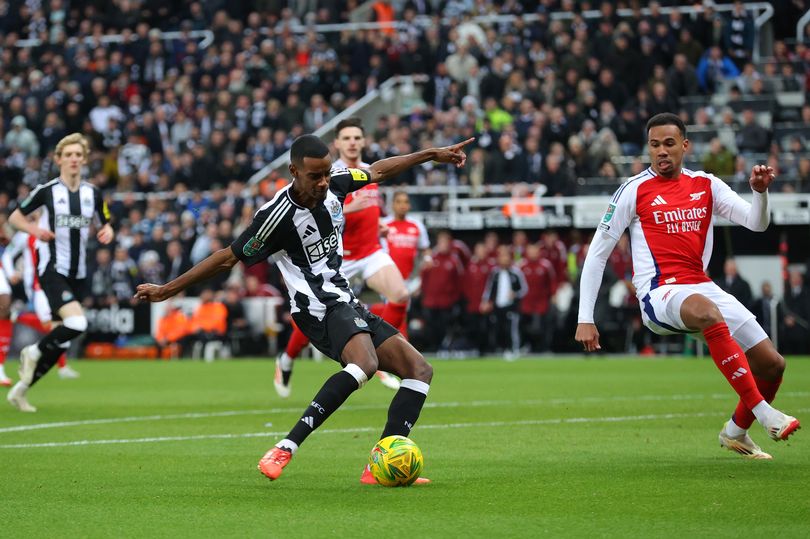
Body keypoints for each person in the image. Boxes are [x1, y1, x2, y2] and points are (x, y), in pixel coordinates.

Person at [135, 133, 473, 484]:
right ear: (293, 171)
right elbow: (226, 259)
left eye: (327, 173)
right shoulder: (275, 217)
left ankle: (379, 467)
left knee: (419, 370)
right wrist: (167, 289)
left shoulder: (335, 186)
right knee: (365, 364)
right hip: (315, 308)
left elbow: (377, 172)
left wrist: (431, 153)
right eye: (315, 176)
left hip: (343, 298)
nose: (324, 182)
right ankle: (284, 448)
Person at [575, 113, 799, 460]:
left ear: (684, 145)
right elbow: (597, 254)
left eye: (668, 143)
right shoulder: (633, 190)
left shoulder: (707, 185)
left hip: (701, 286)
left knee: (773, 365)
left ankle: (735, 432)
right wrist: (585, 317)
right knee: (707, 312)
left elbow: (756, 223)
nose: (661, 152)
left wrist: (760, 194)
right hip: (658, 293)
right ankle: (764, 413)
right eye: (654, 145)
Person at [275, 118, 406, 397]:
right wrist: (350, 210)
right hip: (336, 258)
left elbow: (369, 210)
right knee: (322, 311)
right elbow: (314, 219)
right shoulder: (327, 176)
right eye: (346, 138)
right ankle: (286, 358)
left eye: (357, 137)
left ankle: (380, 354)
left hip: (369, 251)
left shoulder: (369, 173)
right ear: (337, 143)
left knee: (400, 294)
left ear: (363, 141)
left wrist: (380, 223)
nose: (353, 142)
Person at [7, 133, 114, 412]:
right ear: (58, 160)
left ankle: (20, 390)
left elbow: (105, 220)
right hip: (53, 269)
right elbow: (14, 217)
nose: (74, 159)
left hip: (78, 273)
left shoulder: (93, 193)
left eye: (79, 154)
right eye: (68, 155)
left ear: (85, 159)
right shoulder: (47, 191)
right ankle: (33, 350)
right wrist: (35, 229)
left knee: (59, 342)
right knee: (78, 324)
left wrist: (107, 230)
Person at [2, 222, 81, 380]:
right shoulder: (24, 234)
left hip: (55, 284)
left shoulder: (54, 229)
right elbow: (7, 255)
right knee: (52, 325)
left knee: (60, 325)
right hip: (36, 285)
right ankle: (17, 316)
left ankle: (62, 367)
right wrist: (11, 274)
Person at [379, 190, 431, 337]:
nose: (403, 205)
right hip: (388, 278)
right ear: (392, 204)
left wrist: (427, 260)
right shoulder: (384, 225)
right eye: (399, 201)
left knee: (402, 314)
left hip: (409, 278)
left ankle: (396, 347)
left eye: (406, 202)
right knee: (393, 312)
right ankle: (397, 346)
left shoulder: (417, 226)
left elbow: (425, 250)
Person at [480, 245, 528, 360]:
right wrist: (486, 301)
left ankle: (514, 349)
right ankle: (501, 349)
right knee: (498, 328)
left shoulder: (516, 272)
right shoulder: (495, 273)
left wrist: (515, 294)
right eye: (502, 257)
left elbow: (524, 289)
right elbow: (489, 289)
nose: (504, 259)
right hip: (497, 306)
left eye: (506, 257)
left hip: (511, 306)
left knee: (512, 329)